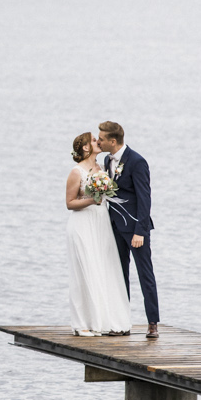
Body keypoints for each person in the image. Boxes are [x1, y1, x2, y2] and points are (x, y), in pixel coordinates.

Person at [65, 130, 131, 337]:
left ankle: (102, 321)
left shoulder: (102, 168)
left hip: (101, 223)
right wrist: (91, 200)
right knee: (84, 271)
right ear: (86, 147)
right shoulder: (76, 172)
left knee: (102, 268)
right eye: (94, 140)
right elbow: (69, 203)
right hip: (82, 223)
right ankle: (81, 324)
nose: (98, 142)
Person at [96, 121, 158, 341]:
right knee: (119, 275)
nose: (98, 142)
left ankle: (152, 324)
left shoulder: (137, 161)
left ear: (113, 141)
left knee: (145, 275)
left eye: (101, 139)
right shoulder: (107, 160)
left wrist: (140, 231)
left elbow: (144, 199)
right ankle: (121, 322)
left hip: (135, 229)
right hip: (115, 226)